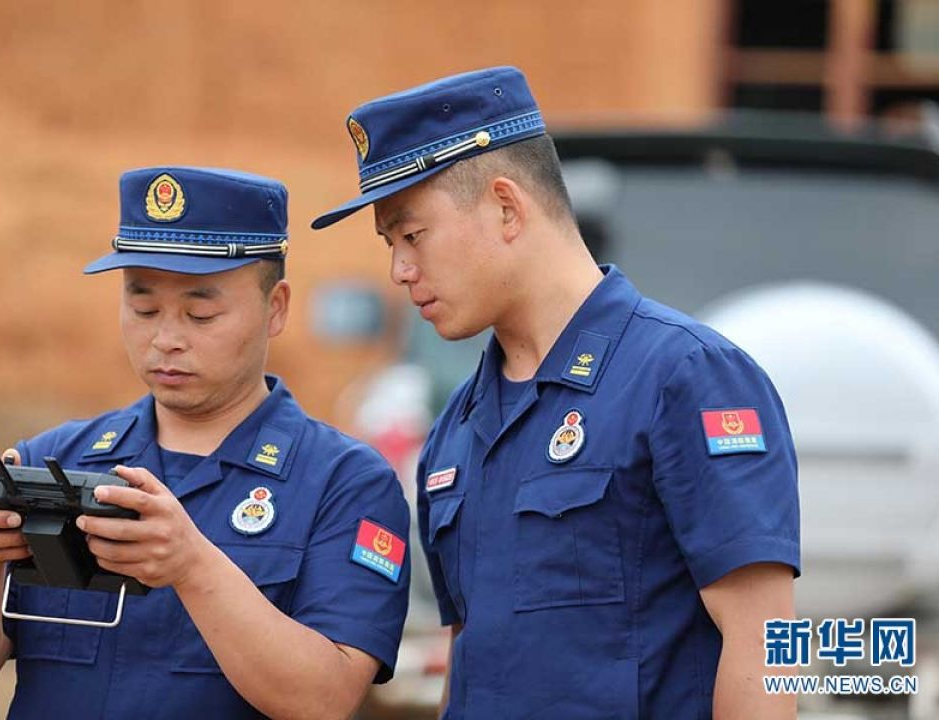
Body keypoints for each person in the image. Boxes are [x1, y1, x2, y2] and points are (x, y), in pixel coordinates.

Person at [312, 67, 800, 719]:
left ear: (507, 207)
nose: (400, 270)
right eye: (390, 244)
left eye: (412, 235)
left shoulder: (686, 376)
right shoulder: (457, 429)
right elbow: (470, 660)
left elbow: (765, 639)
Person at [0, 167, 411, 720]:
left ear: (276, 309)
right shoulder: (56, 463)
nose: (166, 339)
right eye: (143, 308)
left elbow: (325, 700)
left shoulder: (342, 484)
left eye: (201, 313)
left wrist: (192, 566)